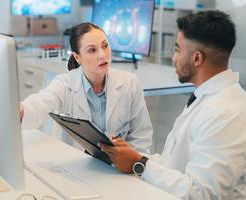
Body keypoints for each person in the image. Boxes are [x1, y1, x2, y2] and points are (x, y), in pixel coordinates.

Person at [98, 10, 246, 199]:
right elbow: (174, 165)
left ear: (197, 58)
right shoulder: (206, 96)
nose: (173, 58)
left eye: (178, 50)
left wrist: (139, 165)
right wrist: (130, 156)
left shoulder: (228, 113)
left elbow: (202, 194)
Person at [20, 22, 153, 154]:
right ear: (77, 57)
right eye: (92, 50)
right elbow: (39, 103)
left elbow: (141, 138)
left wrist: (132, 164)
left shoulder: (130, 83)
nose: (102, 55)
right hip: (78, 167)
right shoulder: (65, 84)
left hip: (120, 170)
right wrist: (20, 110)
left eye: (105, 46)